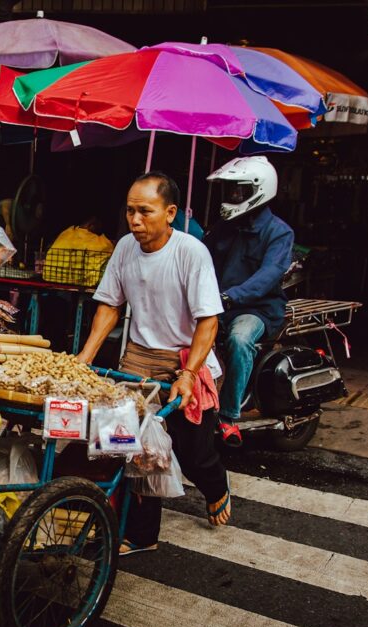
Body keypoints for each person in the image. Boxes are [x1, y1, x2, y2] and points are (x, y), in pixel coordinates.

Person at [77, 171, 230, 554]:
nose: (135, 220)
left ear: (171, 213)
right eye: (130, 211)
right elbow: (110, 305)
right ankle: (141, 535)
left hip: (185, 358)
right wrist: (85, 357)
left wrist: (190, 374)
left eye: (145, 211)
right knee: (130, 448)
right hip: (138, 359)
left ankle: (216, 487)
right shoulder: (126, 248)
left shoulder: (191, 252)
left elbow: (208, 320)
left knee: (194, 454)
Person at [204, 156, 293, 446]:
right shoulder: (223, 226)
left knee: (240, 341)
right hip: (219, 304)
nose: (231, 197)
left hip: (256, 309)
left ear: (258, 190)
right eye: (229, 191)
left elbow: (269, 275)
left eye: (237, 192)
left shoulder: (278, 232)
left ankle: (229, 418)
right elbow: (201, 256)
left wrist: (232, 297)